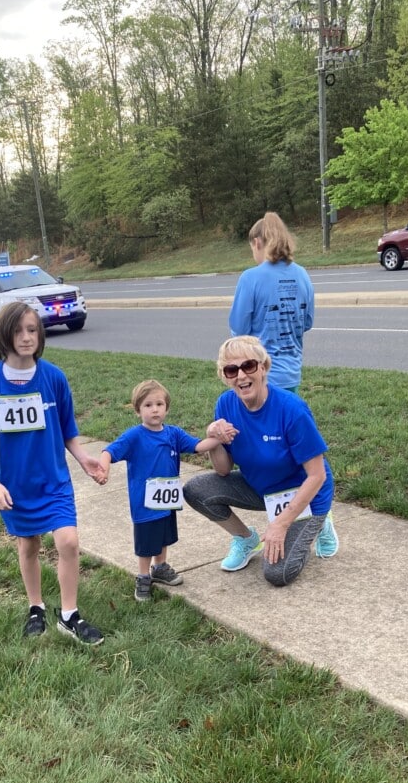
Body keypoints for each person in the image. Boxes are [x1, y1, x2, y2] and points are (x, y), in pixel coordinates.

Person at [0, 302, 105, 644]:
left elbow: (66, 427)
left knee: (68, 541)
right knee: (28, 545)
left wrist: (83, 457)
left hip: (53, 479)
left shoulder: (53, 377)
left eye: (32, 330)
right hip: (16, 483)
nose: (26, 338)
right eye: (17, 331)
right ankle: (36, 607)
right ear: (3, 335)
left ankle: (69, 614)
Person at [183, 336, 334, 587]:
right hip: (262, 489)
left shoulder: (291, 410)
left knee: (277, 574)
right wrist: (214, 438)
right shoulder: (225, 404)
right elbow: (222, 469)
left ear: (263, 367)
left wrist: (281, 525)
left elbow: (317, 475)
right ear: (225, 376)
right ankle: (245, 539)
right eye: (232, 370)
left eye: (249, 366)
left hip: (305, 493)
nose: (241, 376)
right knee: (197, 489)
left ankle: (319, 522)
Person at [229, 211, 338, 558]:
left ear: (258, 243)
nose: (253, 254)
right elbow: (307, 321)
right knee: (299, 448)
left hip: (258, 377)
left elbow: (237, 327)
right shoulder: (303, 274)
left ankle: (319, 517)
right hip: (291, 371)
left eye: (252, 247)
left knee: (291, 454)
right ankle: (319, 517)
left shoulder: (251, 278)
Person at [98, 379, 220, 602]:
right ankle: (143, 576)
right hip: (144, 503)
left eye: (159, 404)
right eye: (148, 405)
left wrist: (218, 439)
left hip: (167, 501)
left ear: (167, 408)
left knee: (163, 536)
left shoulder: (173, 434)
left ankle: (160, 567)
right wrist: (104, 468)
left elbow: (197, 446)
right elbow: (110, 451)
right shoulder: (134, 436)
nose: (154, 409)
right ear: (137, 410)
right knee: (146, 541)